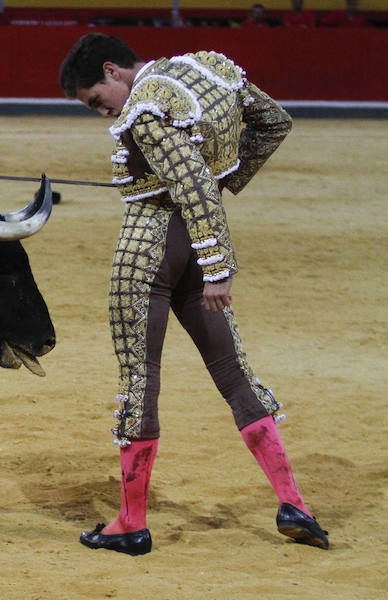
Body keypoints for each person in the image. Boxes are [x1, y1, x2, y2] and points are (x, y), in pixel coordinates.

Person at [58, 33, 329, 556]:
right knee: (234, 373)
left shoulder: (145, 110)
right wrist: (228, 174)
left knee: (140, 379)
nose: (101, 112)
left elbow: (194, 186)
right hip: (188, 241)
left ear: (112, 71)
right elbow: (274, 124)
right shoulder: (207, 69)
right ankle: (293, 502)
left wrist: (218, 267)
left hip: (150, 250)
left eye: (96, 100)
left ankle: (131, 524)